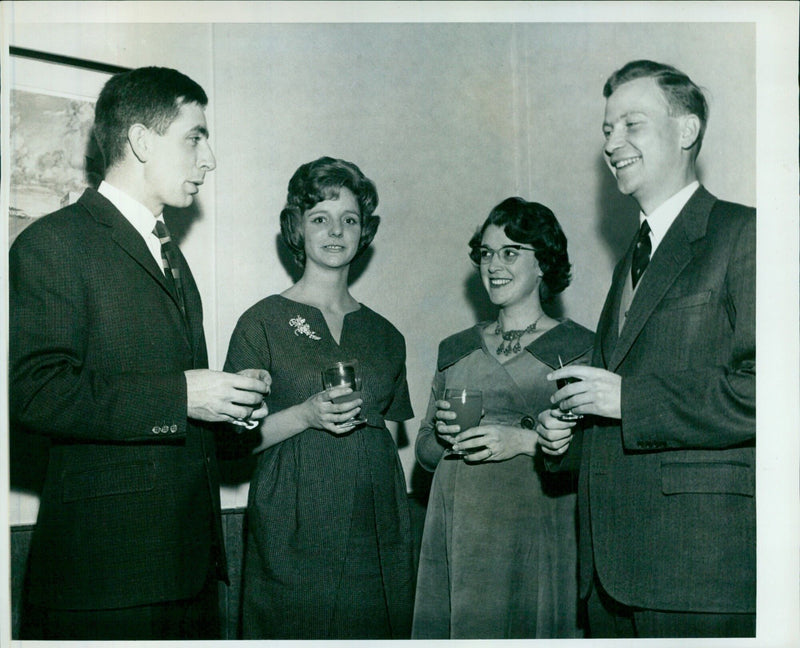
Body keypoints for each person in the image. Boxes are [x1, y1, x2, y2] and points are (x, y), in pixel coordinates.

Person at [9, 66, 271, 640]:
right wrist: (183, 395)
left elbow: (180, 411)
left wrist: (230, 409)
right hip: (104, 580)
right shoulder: (51, 243)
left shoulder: (171, 258)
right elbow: (35, 393)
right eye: (195, 136)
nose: (210, 160)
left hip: (192, 573)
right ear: (142, 141)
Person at [537, 60, 756, 638]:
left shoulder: (745, 234)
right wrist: (567, 438)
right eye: (608, 129)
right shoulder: (631, 260)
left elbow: (773, 392)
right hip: (610, 577)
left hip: (698, 572)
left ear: (686, 132)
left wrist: (629, 399)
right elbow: (620, 414)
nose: (613, 143)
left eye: (632, 125)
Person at [223, 156, 416, 639]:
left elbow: (392, 439)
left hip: (376, 525)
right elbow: (230, 444)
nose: (336, 230)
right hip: (292, 522)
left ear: (363, 231)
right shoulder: (261, 322)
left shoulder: (386, 334)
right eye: (320, 218)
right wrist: (305, 415)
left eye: (349, 219)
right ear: (297, 228)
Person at [411, 197, 594, 639]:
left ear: (544, 263)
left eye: (510, 251)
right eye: (487, 253)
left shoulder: (580, 347)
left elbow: (597, 453)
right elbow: (424, 454)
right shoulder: (455, 348)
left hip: (535, 520)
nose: (494, 264)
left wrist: (523, 441)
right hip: (458, 523)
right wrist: (440, 433)